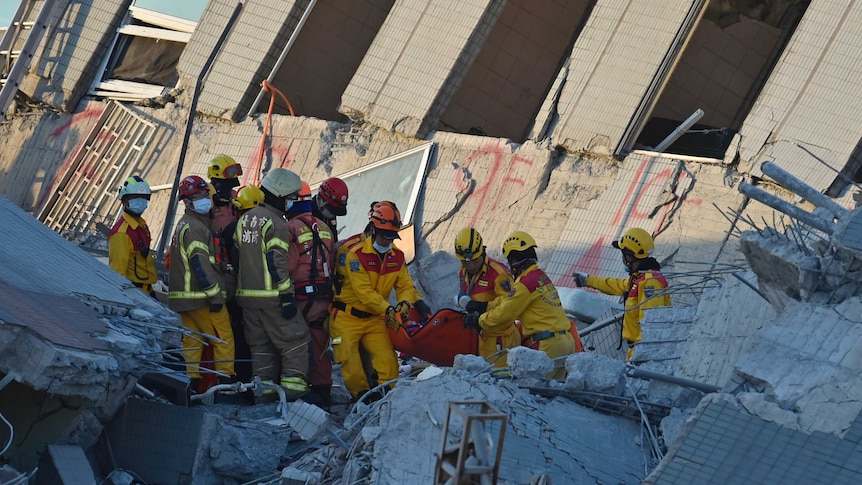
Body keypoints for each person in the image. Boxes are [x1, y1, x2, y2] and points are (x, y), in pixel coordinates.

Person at [329, 201, 432, 400]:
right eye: (385, 236)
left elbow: (405, 285)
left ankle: (387, 400)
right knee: (350, 364)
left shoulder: (397, 257)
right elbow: (364, 293)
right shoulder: (355, 255)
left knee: (389, 362)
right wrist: (389, 309)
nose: (387, 241)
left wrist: (404, 302)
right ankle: (362, 400)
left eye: (392, 236)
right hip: (347, 318)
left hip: (375, 319)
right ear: (374, 229)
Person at [234, 168, 310, 402]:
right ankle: (292, 399)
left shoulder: (245, 219)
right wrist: (286, 295)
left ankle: (263, 399)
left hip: (247, 299)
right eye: (290, 197)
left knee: (261, 350)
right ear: (279, 194)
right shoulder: (277, 224)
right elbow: (276, 260)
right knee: (296, 344)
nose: (292, 202)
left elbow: (239, 255)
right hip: (272, 298)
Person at [465, 231, 575, 379]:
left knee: (535, 394)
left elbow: (505, 313)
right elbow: (511, 300)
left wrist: (479, 321)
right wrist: (484, 306)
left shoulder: (524, 284)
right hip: (565, 343)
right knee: (553, 396)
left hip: (547, 346)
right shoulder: (540, 276)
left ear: (514, 260)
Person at [167, 175, 237, 392]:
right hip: (203, 299)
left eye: (205, 194)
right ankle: (225, 388)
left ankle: (190, 389)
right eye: (197, 196)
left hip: (186, 300)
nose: (204, 199)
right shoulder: (196, 227)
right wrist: (216, 296)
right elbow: (201, 266)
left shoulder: (186, 224)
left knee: (192, 344)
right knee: (223, 340)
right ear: (187, 202)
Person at [572, 227, 671, 361]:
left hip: (642, 353)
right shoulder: (640, 278)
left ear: (629, 256)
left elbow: (651, 323)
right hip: (635, 350)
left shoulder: (650, 283)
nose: (622, 258)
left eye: (623, 253)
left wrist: (641, 357)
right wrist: (589, 280)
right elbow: (616, 285)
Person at [286, 181, 336, 407]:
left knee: (294, 343)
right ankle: (324, 393)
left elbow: (288, 266)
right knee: (320, 344)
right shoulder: (325, 229)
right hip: (323, 297)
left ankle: (296, 392)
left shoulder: (291, 228)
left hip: (301, 295)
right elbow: (332, 265)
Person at [454, 228, 520, 368]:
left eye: (474, 260)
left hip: (501, 338)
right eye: (466, 262)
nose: (470, 265)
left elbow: (510, 305)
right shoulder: (463, 271)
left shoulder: (498, 274)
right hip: (480, 336)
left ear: (482, 252)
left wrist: (482, 307)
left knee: (500, 381)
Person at [221, 184, 265, 387]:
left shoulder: (232, 230)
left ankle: (241, 379)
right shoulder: (268, 229)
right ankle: (255, 382)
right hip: (263, 296)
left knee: (239, 337)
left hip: (238, 295)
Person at [109, 175, 158, 297]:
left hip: (147, 290)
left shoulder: (141, 226)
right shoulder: (122, 233)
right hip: (134, 293)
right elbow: (117, 273)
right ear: (124, 201)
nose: (140, 202)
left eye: (143, 198)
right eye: (135, 197)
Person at [208, 154, 243, 233]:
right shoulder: (207, 199)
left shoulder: (234, 194)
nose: (234, 174)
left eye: (235, 170)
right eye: (230, 171)